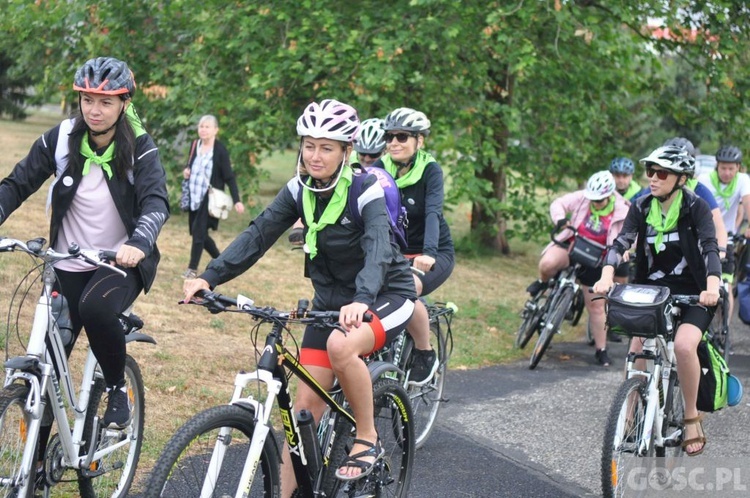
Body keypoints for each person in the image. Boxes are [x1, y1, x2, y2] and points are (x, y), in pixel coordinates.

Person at [182, 99, 416, 494]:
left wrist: (361, 299)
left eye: (327, 147)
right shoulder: (299, 189)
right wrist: (209, 277)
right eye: (309, 145)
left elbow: (377, 248)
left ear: (347, 151)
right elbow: (257, 236)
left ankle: (367, 435)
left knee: (343, 348)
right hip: (330, 305)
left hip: (385, 296)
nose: (315, 155)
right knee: (302, 415)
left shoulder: (366, 189)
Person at [0, 57, 169, 481]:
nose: (94, 110)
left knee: (95, 309)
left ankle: (115, 389)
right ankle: (35, 466)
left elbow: (155, 203)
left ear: (123, 103)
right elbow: (18, 183)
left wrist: (138, 244)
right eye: (87, 100)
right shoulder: (62, 138)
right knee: (48, 367)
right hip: (66, 263)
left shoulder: (141, 147)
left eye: (105, 102)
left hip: (117, 263)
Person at [593, 145, 721, 456]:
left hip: (695, 292)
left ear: (680, 179)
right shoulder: (641, 206)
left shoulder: (697, 208)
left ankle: (691, 416)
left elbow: (709, 248)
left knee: (683, 345)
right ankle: (629, 415)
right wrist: (608, 274)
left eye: (660, 173)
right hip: (652, 292)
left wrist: (713, 286)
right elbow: (622, 241)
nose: (652, 178)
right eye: (650, 171)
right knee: (637, 349)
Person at [375, 107, 455, 384]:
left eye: (402, 137)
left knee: (406, 288)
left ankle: (424, 352)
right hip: (393, 251)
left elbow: (433, 212)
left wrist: (429, 254)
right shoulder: (378, 169)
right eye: (389, 137)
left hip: (431, 252)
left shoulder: (430, 170)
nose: (394, 143)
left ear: (419, 141)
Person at [526, 171, 629, 366]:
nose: (594, 202)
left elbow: (630, 235)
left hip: (598, 257)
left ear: (609, 195)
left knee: (597, 306)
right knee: (547, 263)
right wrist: (560, 219)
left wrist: (622, 251)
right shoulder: (582, 198)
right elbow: (558, 204)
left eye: (599, 200)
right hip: (573, 244)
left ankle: (601, 349)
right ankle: (542, 283)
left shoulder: (623, 209)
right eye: (592, 199)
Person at [182, 115, 244, 278]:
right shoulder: (195, 144)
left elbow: (229, 177)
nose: (203, 129)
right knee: (199, 234)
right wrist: (187, 171)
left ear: (216, 130)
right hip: (194, 196)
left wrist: (237, 200)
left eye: (207, 127)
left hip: (208, 199)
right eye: (201, 126)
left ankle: (192, 269)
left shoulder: (220, 150)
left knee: (198, 233)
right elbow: (190, 165)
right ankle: (221, 261)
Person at [698, 144, 750, 322]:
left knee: (726, 285)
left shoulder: (743, 180)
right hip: (703, 236)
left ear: (738, 168)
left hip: (726, 238)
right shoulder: (704, 180)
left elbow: (747, 204)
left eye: (731, 168)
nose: (727, 172)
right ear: (717, 167)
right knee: (699, 281)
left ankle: (724, 332)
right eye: (723, 168)